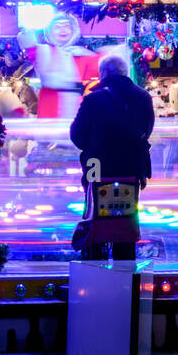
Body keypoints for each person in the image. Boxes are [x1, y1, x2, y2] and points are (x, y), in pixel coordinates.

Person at [69, 54, 154, 260]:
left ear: (105, 73)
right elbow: (147, 131)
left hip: (98, 168)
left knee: (95, 220)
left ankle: (95, 269)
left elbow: (78, 136)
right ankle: (124, 273)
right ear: (125, 73)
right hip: (131, 169)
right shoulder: (144, 97)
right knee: (125, 221)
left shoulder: (93, 99)